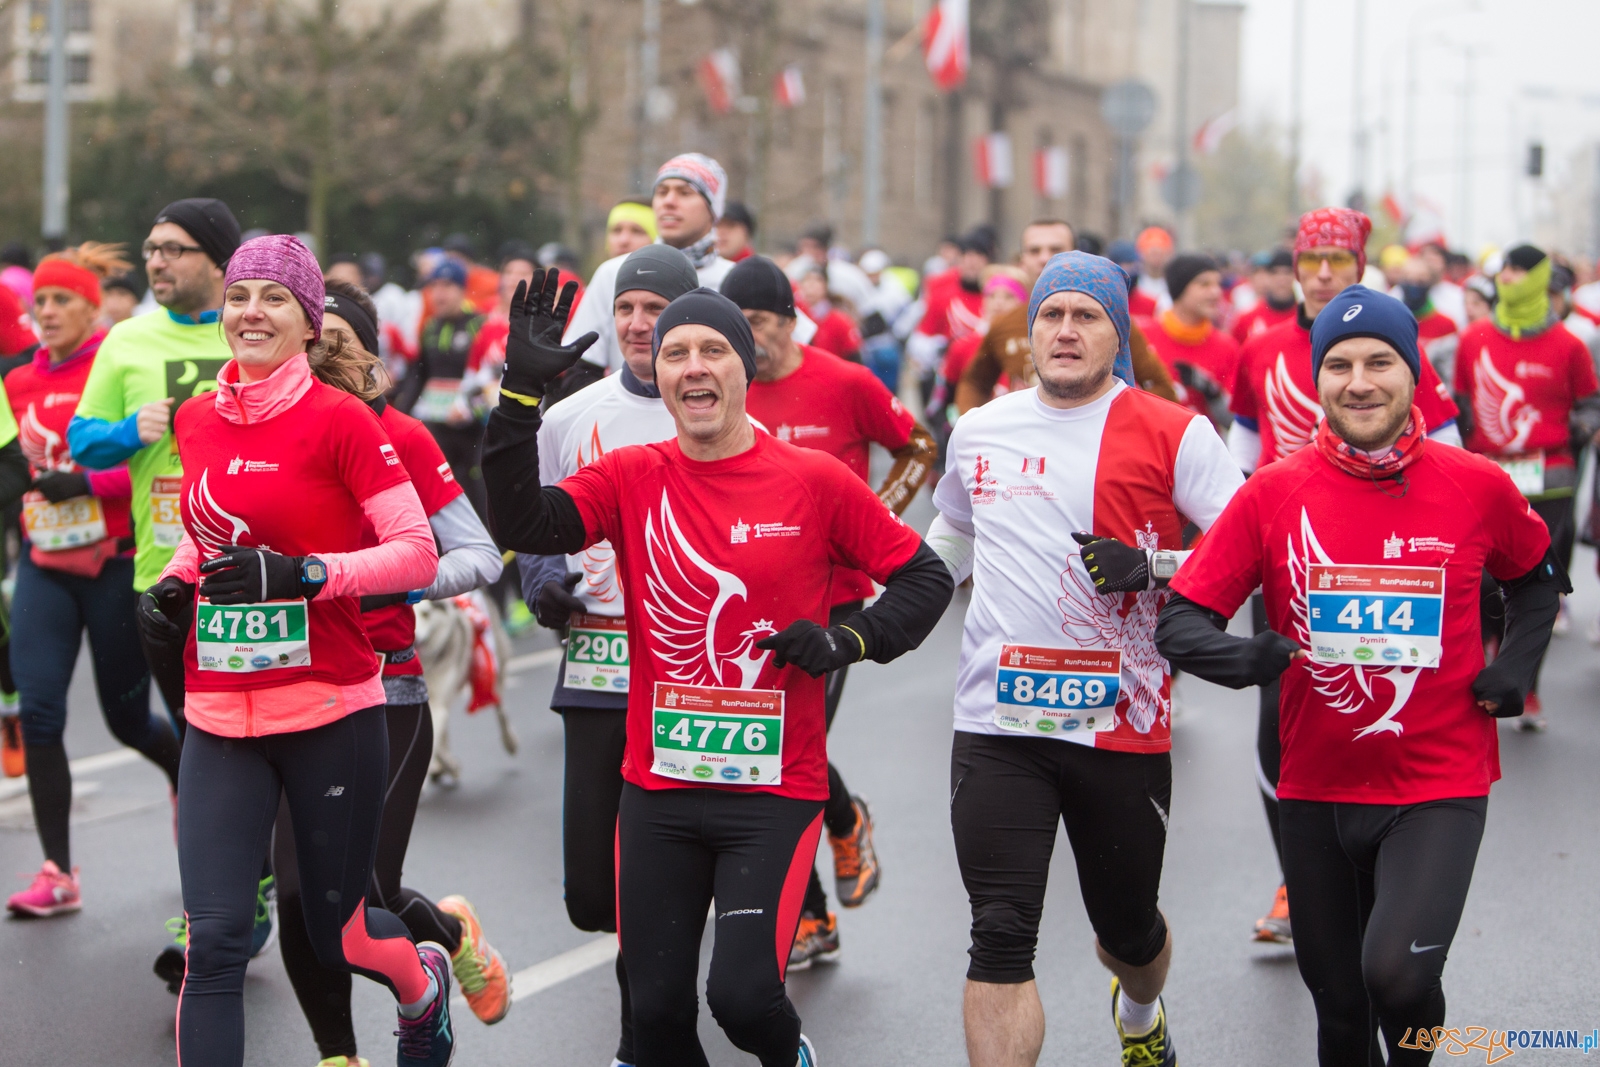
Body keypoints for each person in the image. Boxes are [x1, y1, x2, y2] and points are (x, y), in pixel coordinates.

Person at [483, 273, 953, 1067]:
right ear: (659, 377)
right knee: (657, 1015)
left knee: (740, 998)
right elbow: (526, 519)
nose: (693, 365)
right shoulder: (633, 474)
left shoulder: (814, 480)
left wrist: (849, 641)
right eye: (675, 354)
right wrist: (518, 396)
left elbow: (926, 577)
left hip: (772, 792)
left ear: (745, 367)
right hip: (660, 788)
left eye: (712, 350)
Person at [1157, 285, 1563, 1066]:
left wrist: (1516, 665)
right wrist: (1244, 660)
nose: (1360, 380)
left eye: (1380, 360)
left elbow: (1538, 575)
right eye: (1338, 364)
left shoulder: (1475, 482)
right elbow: (1182, 618)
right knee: (1340, 1011)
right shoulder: (1274, 492)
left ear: (1412, 373)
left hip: (1437, 780)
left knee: (1399, 977)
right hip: (1315, 785)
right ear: (1318, 380)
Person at [132, 234, 453, 1067]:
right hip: (218, 713)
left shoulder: (343, 421)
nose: (251, 312)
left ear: (309, 322)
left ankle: (422, 987)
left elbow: (416, 551)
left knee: (339, 931)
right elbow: (204, 539)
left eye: (274, 298)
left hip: (329, 711)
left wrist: (305, 574)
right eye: (240, 296)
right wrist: (170, 589)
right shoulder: (199, 418)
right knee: (217, 943)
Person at [924, 251, 1244, 1067]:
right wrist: (887, 607)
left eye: (1086, 315)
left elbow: (1248, 549)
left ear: (1117, 331)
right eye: (1051, 315)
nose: (1065, 330)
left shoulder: (1178, 432)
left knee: (1129, 930)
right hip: (997, 721)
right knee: (998, 930)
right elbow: (952, 539)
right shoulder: (981, 429)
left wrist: (1157, 568)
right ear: (1030, 331)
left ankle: (1140, 1011)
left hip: (1122, 725)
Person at [271, 279, 510, 1065]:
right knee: (302, 899)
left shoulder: (401, 435)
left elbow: (476, 553)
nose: (320, 350)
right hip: (285, 691)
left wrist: (390, 575)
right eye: (311, 334)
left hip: (384, 688)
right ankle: (338, 1054)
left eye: (337, 336)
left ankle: (447, 936)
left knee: (356, 895)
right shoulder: (265, 430)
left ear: (369, 353)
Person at [1226, 207, 1461, 944]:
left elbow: (1455, 467)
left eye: (1338, 258)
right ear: (1294, 267)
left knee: (1380, 716)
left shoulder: (1395, 349)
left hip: (1390, 572)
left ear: (1359, 265)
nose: (1323, 271)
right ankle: (1300, 879)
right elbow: (1238, 462)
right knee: (1280, 727)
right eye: (1311, 259)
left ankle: (1391, 869)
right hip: (1290, 568)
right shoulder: (1259, 349)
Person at [722, 254, 938, 968]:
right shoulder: (727, 390)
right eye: (737, 326)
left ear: (790, 321)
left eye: (757, 325)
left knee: (788, 750)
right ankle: (844, 822)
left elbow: (917, 446)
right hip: (748, 600)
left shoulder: (844, 381)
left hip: (833, 602)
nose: (747, 341)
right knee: (757, 750)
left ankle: (812, 910)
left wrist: (870, 517)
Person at [515, 244, 701, 1067]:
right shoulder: (568, 418)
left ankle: (645, 1039)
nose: (636, 322)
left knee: (650, 885)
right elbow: (532, 526)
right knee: (594, 893)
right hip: (596, 674)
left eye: (655, 307)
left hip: (691, 683)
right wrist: (542, 581)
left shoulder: (716, 413)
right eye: (626, 307)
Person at [2, 244, 181, 919]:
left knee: (128, 719)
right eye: (39, 301)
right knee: (41, 710)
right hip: (44, 566)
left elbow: (149, 458)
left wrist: (83, 480)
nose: (46, 311)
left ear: (89, 306)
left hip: (112, 560)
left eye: (61, 300)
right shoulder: (17, 380)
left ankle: (178, 768)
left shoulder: (115, 363)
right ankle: (57, 872)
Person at [1453, 244, 1600, 729]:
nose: (1510, 278)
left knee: (1537, 581)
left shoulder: (1570, 345)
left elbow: (1590, 406)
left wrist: (1573, 436)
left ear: (1539, 278)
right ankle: (1493, 645)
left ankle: (1528, 686)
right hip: (1485, 476)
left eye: (1519, 270)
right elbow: (1460, 405)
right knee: (1487, 578)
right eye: (1505, 270)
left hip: (1550, 478)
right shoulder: (1473, 339)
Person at [564, 153, 738, 376]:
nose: (669, 201)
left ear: (713, 209)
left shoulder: (737, 279)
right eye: (662, 192)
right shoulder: (614, 272)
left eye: (685, 193)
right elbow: (581, 368)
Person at [404, 259, 490, 518]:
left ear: (462, 289)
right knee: (440, 496)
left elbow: (488, 378)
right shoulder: (430, 328)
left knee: (475, 495)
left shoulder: (479, 324)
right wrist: (401, 416)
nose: (439, 294)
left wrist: (470, 408)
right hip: (437, 426)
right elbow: (417, 376)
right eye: (434, 286)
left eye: (447, 286)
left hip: (473, 430)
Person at [1138, 253, 1240, 431]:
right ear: (1180, 288)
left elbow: (1235, 424)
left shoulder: (1226, 346)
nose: (1216, 292)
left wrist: (1212, 393)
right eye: (1204, 284)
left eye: (1217, 284)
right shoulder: (1143, 337)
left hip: (1200, 453)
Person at [795, 266, 862, 362]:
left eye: (817, 280)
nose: (810, 285)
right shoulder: (795, 318)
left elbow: (854, 356)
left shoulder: (839, 320)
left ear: (825, 286)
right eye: (806, 280)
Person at [1231, 250, 1296, 343]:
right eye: (1275, 272)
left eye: (1287, 272)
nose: (1282, 279)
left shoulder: (1306, 317)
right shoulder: (1246, 319)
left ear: (1295, 275)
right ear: (1268, 276)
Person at [1133, 227, 1175, 314]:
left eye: (1160, 253)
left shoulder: (1176, 286)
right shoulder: (1131, 285)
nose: (1156, 258)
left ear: (1169, 254)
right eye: (1152, 253)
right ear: (1140, 253)